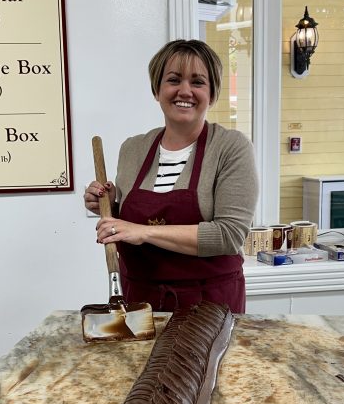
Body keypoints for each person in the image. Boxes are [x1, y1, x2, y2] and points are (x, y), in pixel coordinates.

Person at [83, 39, 258, 313]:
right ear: (157, 89)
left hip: (210, 303)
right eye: (174, 80)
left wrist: (145, 232)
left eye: (198, 82)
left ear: (212, 94)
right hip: (140, 300)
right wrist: (108, 206)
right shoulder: (133, 149)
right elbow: (130, 228)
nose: (185, 91)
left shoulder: (230, 147)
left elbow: (229, 235)